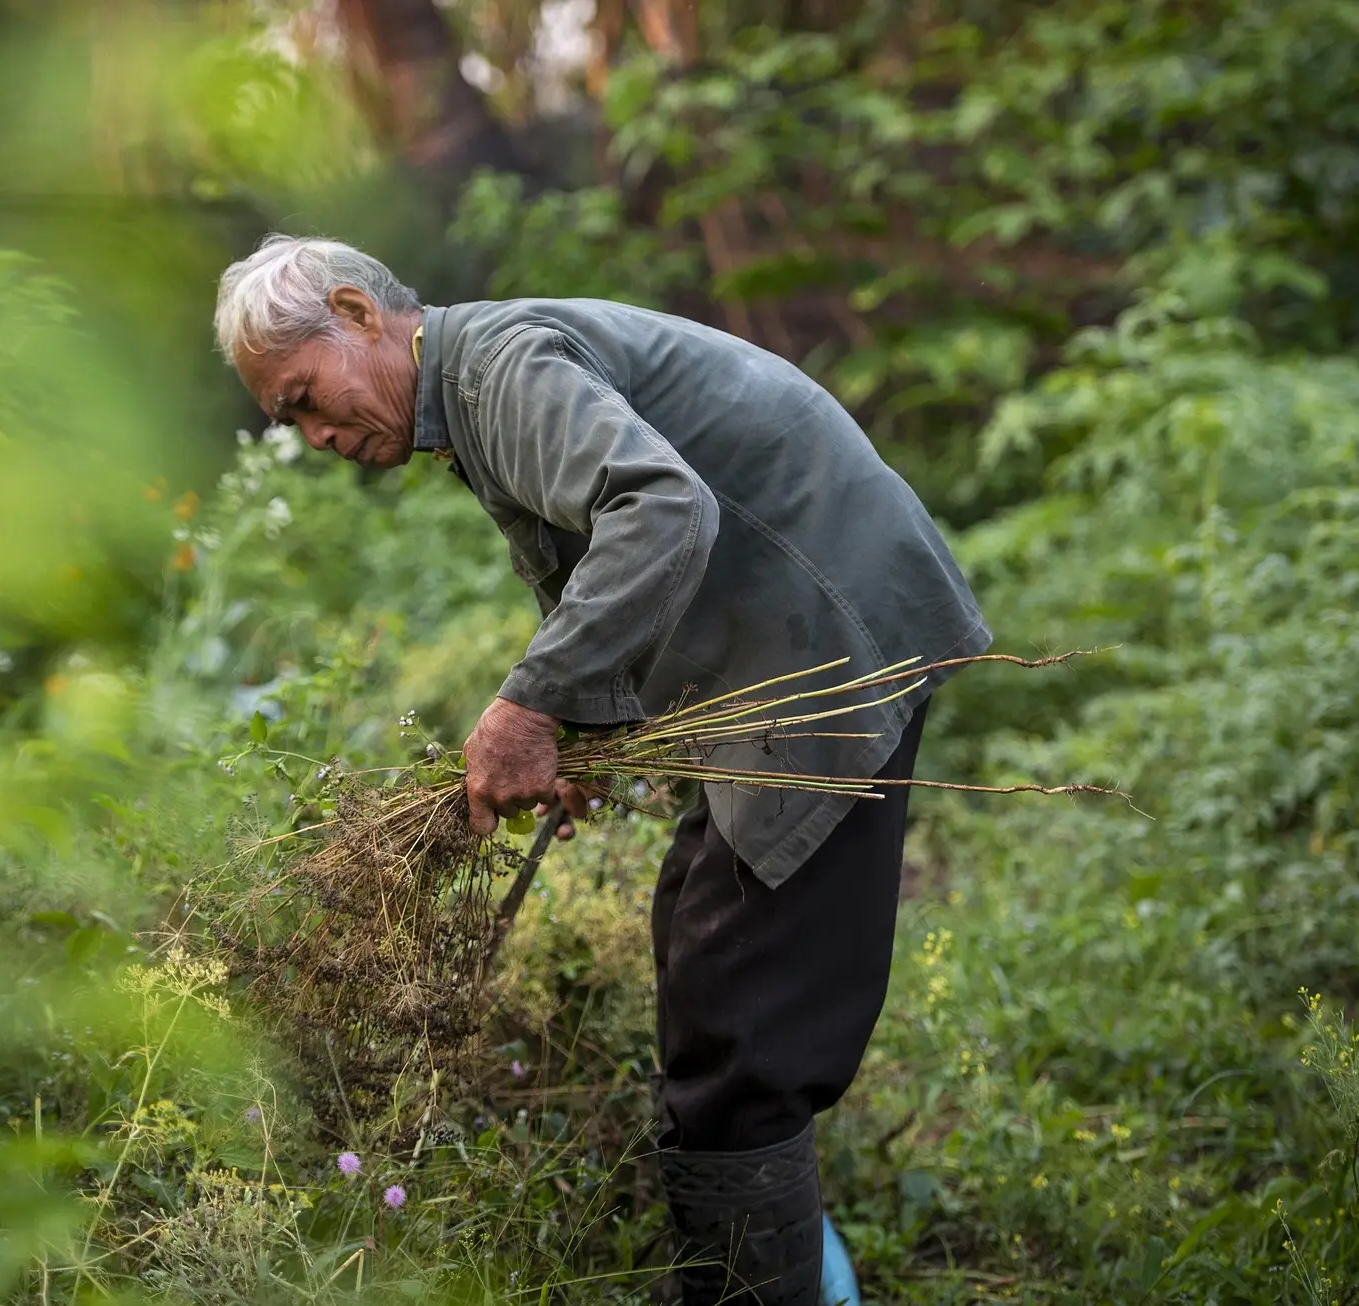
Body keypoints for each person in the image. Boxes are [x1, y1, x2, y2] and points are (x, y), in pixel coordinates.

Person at [212, 234, 990, 1306]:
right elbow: (605, 554)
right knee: (698, 942)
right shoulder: (473, 391)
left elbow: (663, 509)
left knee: (741, 1025)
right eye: (289, 419)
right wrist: (585, 723)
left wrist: (530, 702)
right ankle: (771, 1270)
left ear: (356, 311)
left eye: (304, 397)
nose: (313, 435)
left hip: (823, 642)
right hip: (790, 644)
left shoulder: (499, 370)